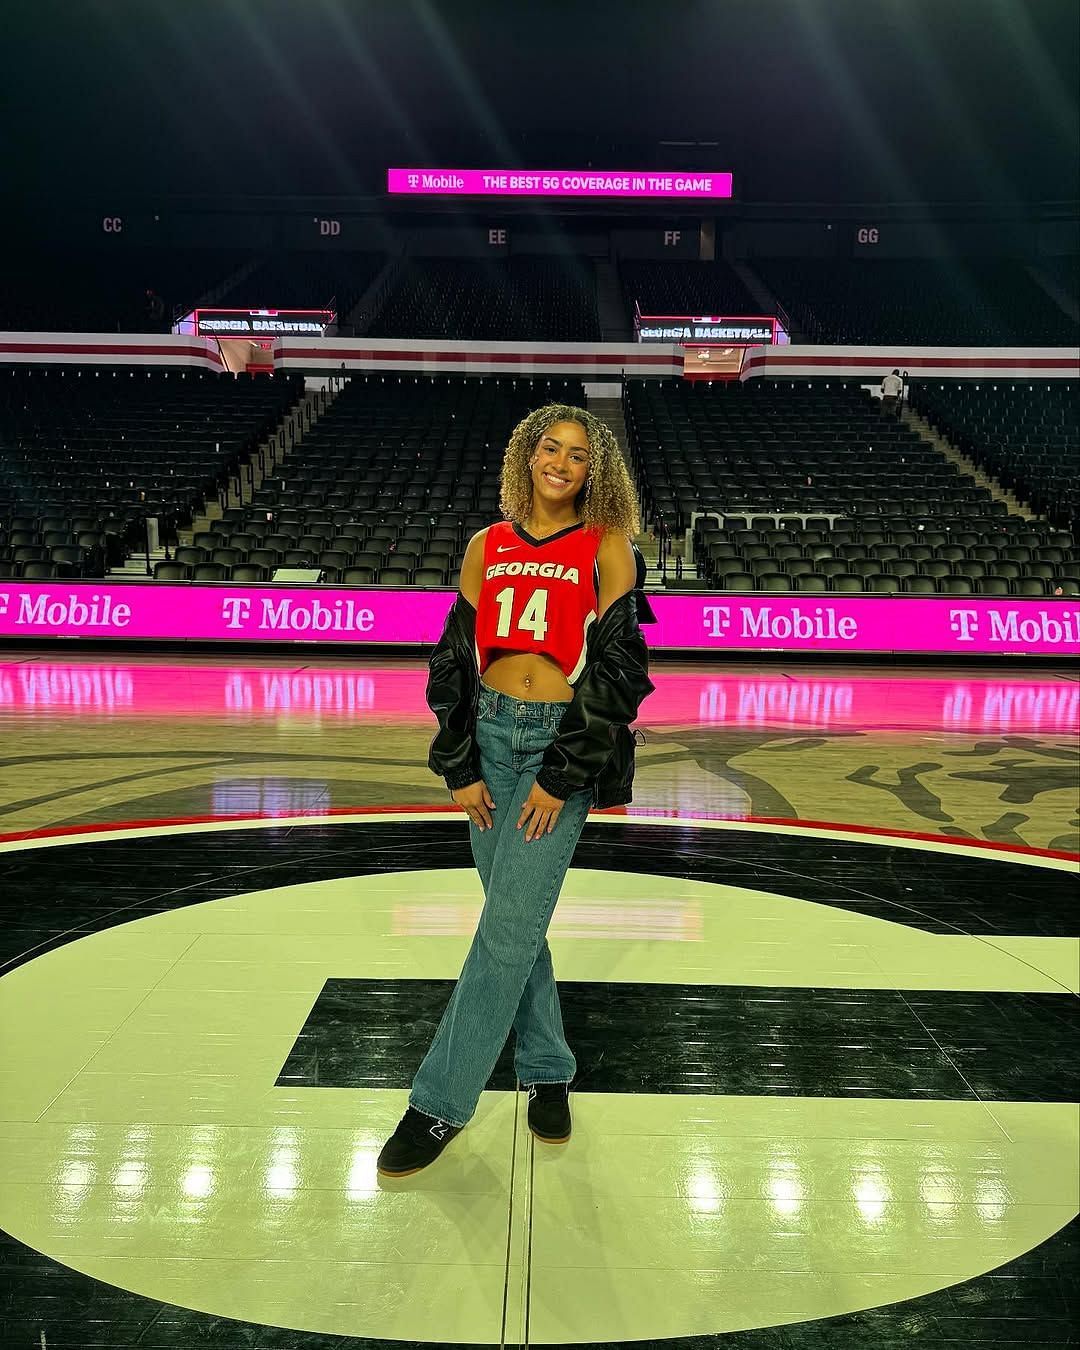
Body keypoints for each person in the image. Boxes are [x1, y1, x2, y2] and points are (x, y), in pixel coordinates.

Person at [377, 404, 654, 1177]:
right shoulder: (485, 544)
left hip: (555, 742)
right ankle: (548, 1066)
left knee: (505, 930)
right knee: (514, 920)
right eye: (549, 449)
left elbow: (617, 672)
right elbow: (451, 662)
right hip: (491, 739)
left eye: (577, 455)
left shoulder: (605, 547)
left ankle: (437, 1104)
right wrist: (460, 763)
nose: (561, 464)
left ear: (594, 470)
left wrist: (564, 773)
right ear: (525, 457)